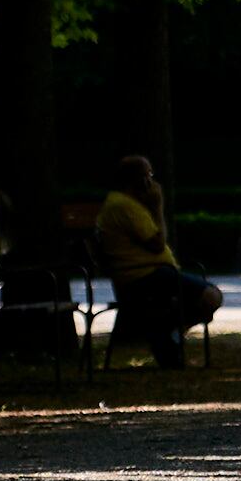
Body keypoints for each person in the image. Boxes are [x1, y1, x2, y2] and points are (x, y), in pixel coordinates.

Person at [96, 155, 223, 366]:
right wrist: (157, 206)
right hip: (144, 277)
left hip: (150, 274)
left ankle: (166, 335)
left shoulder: (123, 203)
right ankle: (167, 333)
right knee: (210, 296)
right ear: (136, 179)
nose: (151, 182)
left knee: (207, 296)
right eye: (147, 176)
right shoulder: (124, 206)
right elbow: (156, 243)